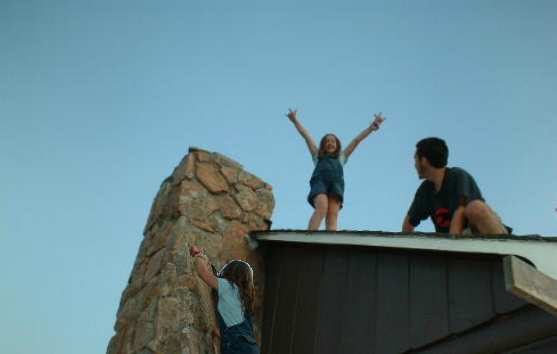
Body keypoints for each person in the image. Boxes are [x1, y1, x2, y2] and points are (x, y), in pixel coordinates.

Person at [286, 108, 385, 230]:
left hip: (336, 185)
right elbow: (306, 136)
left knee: (332, 216)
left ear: (337, 145)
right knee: (322, 208)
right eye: (327, 141)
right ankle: (309, 237)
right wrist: (295, 120)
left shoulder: (341, 157)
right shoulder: (318, 155)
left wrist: (371, 128)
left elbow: (356, 140)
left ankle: (330, 244)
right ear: (323, 145)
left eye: (333, 141)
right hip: (319, 183)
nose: (330, 143)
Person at [402, 137, 510, 235]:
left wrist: (451, 251)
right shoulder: (425, 190)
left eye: (415, 159)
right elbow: (408, 224)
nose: (415, 165)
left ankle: (506, 249)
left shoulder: (457, 176)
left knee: (476, 208)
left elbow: (460, 212)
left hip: (476, 234)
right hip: (457, 244)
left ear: (424, 161)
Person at [190, 245, 260, 354]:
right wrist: (217, 332)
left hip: (237, 349)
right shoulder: (242, 300)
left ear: (229, 273)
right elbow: (237, 329)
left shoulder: (229, 286)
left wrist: (198, 255)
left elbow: (203, 273)